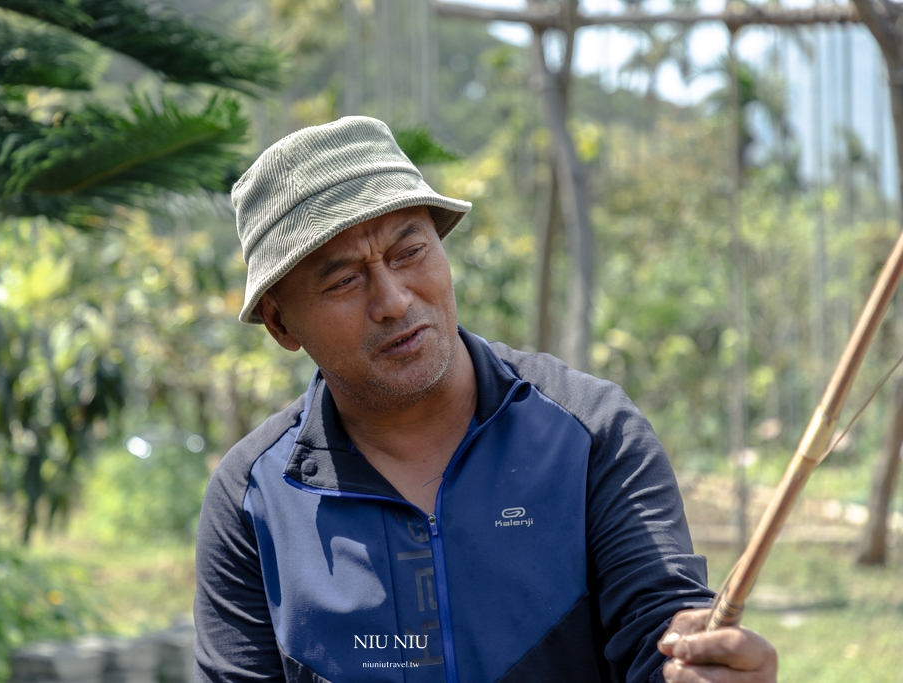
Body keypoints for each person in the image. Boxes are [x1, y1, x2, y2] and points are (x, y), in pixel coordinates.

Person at [193, 116, 777, 683]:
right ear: (279, 323)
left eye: (409, 252)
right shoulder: (253, 499)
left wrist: (705, 666)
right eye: (344, 280)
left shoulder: (590, 433)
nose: (394, 300)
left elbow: (659, 633)